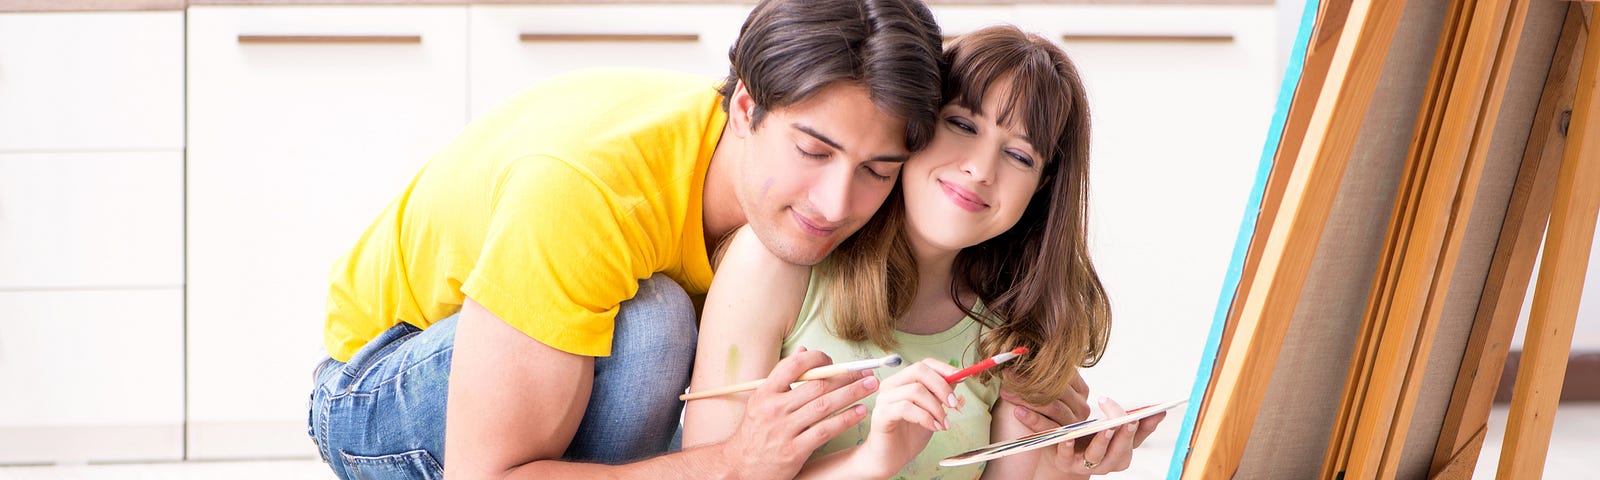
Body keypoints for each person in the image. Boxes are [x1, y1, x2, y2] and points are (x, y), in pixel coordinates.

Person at [305, 1, 946, 479]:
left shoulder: (807, 190)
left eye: (876, 171)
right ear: (746, 110)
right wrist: (738, 460)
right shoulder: (587, 193)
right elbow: (490, 475)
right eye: (813, 151)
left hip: (539, 380)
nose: (836, 204)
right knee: (652, 327)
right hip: (376, 388)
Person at [682, 25, 1165, 479]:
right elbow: (714, 470)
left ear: (1041, 190)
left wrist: (1061, 469)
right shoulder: (775, 264)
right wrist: (870, 460)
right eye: (961, 124)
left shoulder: (1017, 332)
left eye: (1020, 155)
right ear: (911, 127)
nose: (980, 169)